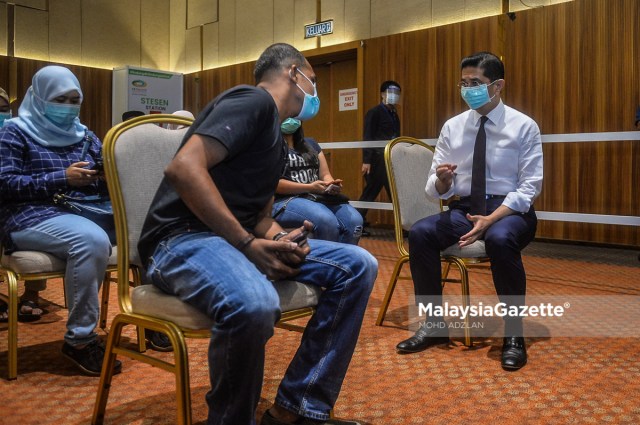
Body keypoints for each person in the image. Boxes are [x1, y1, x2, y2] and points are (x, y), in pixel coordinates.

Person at [138, 43, 377, 425]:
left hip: (232, 243)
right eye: (313, 81)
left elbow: (262, 218)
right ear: (293, 73)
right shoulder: (253, 102)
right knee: (255, 301)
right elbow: (183, 169)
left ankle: (295, 409)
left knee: (358, 265)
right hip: (180, 240)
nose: (315, 92)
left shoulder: (277, 146)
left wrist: (281, 239)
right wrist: (248, 243)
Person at [395, 52, 542, 371]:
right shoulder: (453, 127)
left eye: (476, 83)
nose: (467, 89)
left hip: (510, 212)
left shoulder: (523, 126)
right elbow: (433, 188)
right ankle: (434, 325)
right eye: (463, 83)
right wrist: (442, 180)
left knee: (500, 239)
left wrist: (492, 218)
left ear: (498, 85)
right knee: (421, 232)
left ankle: (513, 335)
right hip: (465, 209)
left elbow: (530, 187)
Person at [0, 66, 122, 375]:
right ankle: (79, 340)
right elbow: (6, 183)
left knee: (148, 228)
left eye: (73, 100)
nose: (67, 107)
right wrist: (62, 177)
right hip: (28, 215)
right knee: (91, 240)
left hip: (80, 211)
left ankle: (154, 324)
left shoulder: (85, 134)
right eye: (59, 99)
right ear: (40, 97)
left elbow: (98, 180)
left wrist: (105, 177)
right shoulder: (14, 131)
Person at [272, 119, 363, 244]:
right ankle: (325, 261)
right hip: (286, 200)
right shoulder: (271, 146)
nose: (291, 119)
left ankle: (341, 260)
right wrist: (309, 187)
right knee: (325, 220)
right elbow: (274, 184)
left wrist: (330, 184)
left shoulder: (311, 143)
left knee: (355, 221)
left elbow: (325, 175)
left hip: (316, 196)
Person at [356, 80, 401, 234]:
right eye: (391, 92)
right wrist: (366, 161)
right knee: (371, 192)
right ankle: (355, 223)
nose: (394, 96)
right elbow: (368, 136)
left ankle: (402, 225)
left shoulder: (394, 113)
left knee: (392, 191)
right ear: (382, 94)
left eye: (397, 93)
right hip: (376, 159)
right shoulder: (374, 112)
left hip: (390, 158)